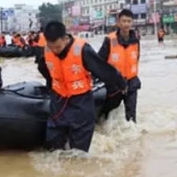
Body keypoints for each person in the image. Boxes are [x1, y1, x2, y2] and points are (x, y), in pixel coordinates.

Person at [37, 21, 126, 152]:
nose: (54, 51)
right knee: (53, 142)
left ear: (65, 38)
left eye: (57, 47)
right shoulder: (46, 50)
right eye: (51, 47)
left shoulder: (82, 49)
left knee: (79, 148)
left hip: (81, 101)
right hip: (59, 100)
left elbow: (103, 70)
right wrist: (51, 85)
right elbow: (43, 68)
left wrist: (121, 84)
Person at [98, 9, 141, 123]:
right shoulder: (109, 40)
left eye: (129, 21)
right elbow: (99, 61)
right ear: (118, 22)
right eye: (124, 21)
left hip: (131, 82)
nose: (126, 24)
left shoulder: (136, 40)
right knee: (107, 115)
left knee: (131, 117)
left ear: (132, 23)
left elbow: (136, 58)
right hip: (114, 84)